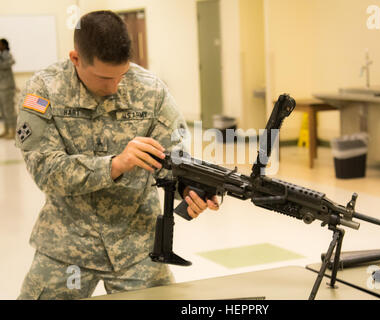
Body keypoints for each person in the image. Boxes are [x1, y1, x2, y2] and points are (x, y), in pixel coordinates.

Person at [16, 10, 219, 300]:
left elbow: (173, 160)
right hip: (68, 245)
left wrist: (189, 189)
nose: (113, 87)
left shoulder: (151, 90)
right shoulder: (45, 89)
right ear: (75, 59)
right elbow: (47, 171)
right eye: (103, 78)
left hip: (137, 245)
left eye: (121, 75)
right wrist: (116, 164)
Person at [0, 38, 17, 139]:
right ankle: (6, 130)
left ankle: (13, 131)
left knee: (9, 110)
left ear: (5, 45)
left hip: (7, 87)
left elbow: (10, 62)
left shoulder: (7, 54)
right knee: (3, 110)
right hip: (1, 87)